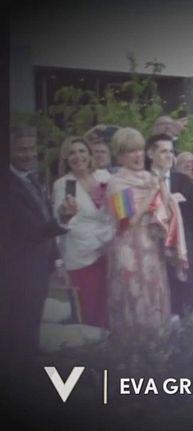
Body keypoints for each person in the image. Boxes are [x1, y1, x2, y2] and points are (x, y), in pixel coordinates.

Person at [5, 126, 77, 366]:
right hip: (17, 275)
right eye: (21, 149)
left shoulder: (31, 180)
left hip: (37, 270)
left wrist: (57, 261)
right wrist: (62, 220)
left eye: (31, 149)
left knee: (31, 331)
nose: (28, 154)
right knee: (18, 337)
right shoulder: (8, 186)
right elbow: (30, 230)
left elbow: (44, 220)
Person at [105, 127, 185, 335]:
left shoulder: (150, 177)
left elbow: (166, 209)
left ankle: (157, 347)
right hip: (129, 248)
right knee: (134, 298)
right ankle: (134, 349)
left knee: (155, 296)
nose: (137, 155)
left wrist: (161, 185)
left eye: (139, 149)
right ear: (119, 157)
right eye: (130, 151)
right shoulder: (116, 183)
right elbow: (128, 221)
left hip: (152, 247)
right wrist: (152, 192)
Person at [52, 137, 115, 328]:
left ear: (89, 154)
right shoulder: (64, 184)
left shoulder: (104, 176)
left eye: (82, 151)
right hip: (81, 255)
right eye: (72, 153)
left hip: (110, 251)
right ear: (65, 158)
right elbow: (63, 224)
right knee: (88, 312)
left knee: (110, 309)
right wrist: (58, 262)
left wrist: (111, 241)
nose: (78, 156)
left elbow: (120, 211)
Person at [146, 134, 193, 316]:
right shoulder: (142, 179)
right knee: (157, 306)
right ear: (150, 154)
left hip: (181, 251)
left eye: (171, 151)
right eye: (163, 151)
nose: (169, 156)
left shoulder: (181, 180)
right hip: (151, 250)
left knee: (188, 305)